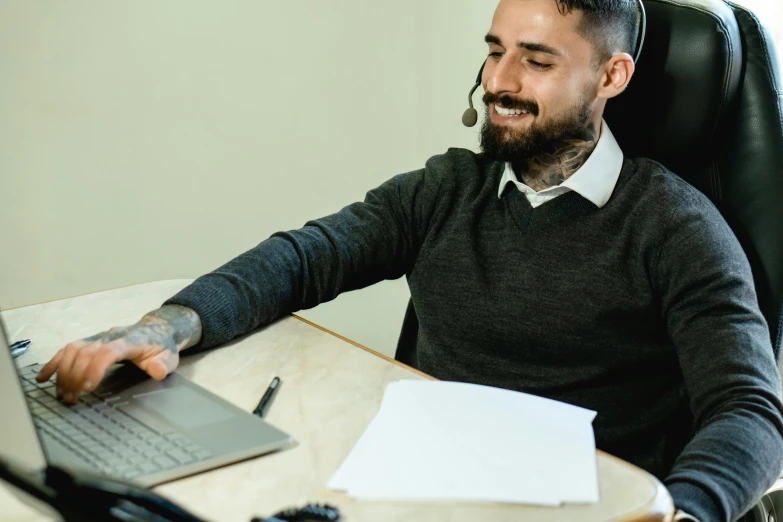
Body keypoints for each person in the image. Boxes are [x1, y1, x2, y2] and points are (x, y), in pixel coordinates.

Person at [36, 0, 783, 520]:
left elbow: (748, 410)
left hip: (590, 505)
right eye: (494, 51)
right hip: (425, 491)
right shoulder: (445, 189)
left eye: (536, 60)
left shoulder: (676, 226)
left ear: (611, 77)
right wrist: (169, 326)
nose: (498, 82)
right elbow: (305, 257)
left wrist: (681, 513)